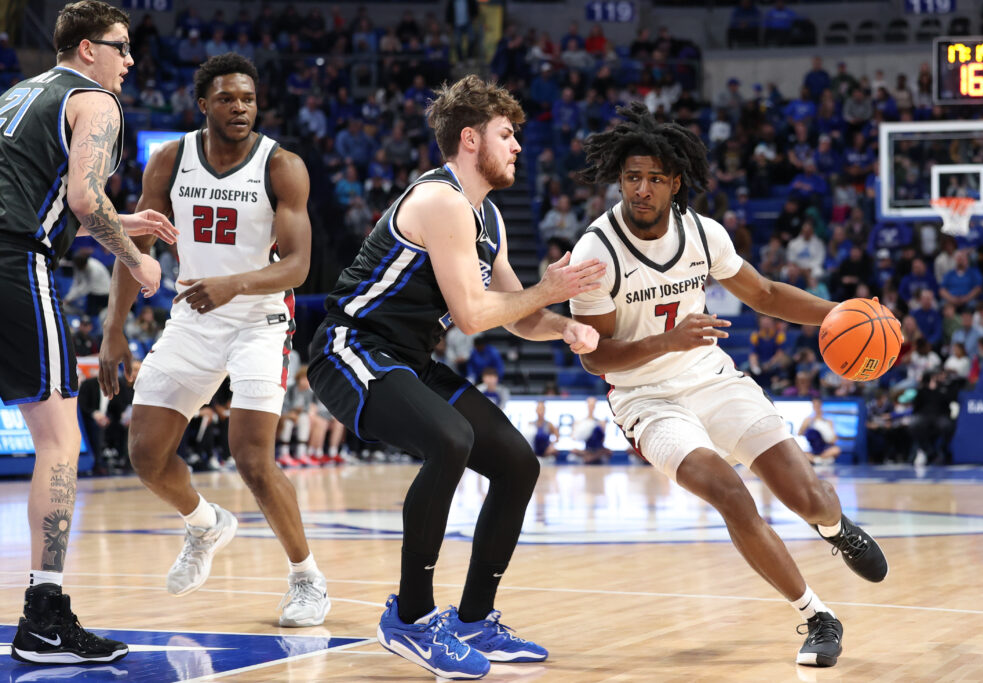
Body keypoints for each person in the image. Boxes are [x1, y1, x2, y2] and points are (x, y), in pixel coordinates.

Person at [570, 103, 889, 668]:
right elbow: (598, 360)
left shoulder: (702, 233)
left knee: (808, 498)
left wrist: (840, 314)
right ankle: (817, 615)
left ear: (675, 183)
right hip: (646, 401)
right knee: (731, 496)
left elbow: (763, 294)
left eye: (653, 179)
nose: (640, 189)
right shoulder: (597, 252)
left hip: (713, 379)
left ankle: (835, 529)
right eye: (630, 178)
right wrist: (669, 341)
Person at [306, 75, 603, 679]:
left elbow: (515, 314)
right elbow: (471, 315)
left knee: (518, 463)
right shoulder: (441, 201)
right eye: (506, 134)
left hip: (407, 357)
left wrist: (564, 326)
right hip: (350, 347)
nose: (517, 145)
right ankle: (410, 619)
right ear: (470, 139)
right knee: (449, 438)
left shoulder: (485, 213)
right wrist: (550, 291)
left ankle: (473, 619)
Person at [98, 53, 330, 627]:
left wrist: (236, 284)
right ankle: (205, 524)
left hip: (259, 321)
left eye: (248, 99)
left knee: (252, 458)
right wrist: (112, 332)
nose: (240, 107)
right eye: (227, 98)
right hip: (193, 315)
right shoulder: (171, 159)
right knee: (146, 455)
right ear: (204, 105)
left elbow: (299, 266)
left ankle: (307, 579)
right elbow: (137, 249)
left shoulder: (283, 166)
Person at [0, 0, 174, 665]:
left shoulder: (19, 93)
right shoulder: (96, 102)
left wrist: (124, 220)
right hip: (14, 264)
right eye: (121, 46)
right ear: (85, 49)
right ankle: (44, 614)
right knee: (59, 440)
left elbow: (45, 200)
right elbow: (78, 201)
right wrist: (138, 261)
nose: (129, 61)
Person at [798, 397, 841, 465]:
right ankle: (820, 460)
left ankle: (818, 459)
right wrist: (806, 428)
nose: (816, 407)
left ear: (821, 405)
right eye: (814, 405)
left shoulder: (828, 420)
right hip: (812, 448)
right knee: (802, 454)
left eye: (818, 405)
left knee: (836, 450)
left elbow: (834, 438)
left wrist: (829, 438)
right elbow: (799, 433)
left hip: (825, 447)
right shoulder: (808, 420)